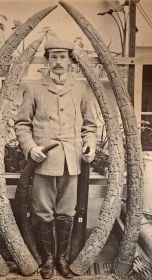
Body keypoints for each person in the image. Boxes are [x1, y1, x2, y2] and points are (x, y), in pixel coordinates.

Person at [15, 38, 97, 279]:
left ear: (70, 60)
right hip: (43, 162)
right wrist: (30, 148)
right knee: (42, 212)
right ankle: (48, 259)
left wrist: (90, 144)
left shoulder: (80, 89)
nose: (58, 62)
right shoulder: (33, 88)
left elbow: (90, 125)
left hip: (72, 162)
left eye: (63, 57)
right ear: (46, 60)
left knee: (66, 212)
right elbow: (22, 124)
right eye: (54, 57)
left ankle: (62, 258)